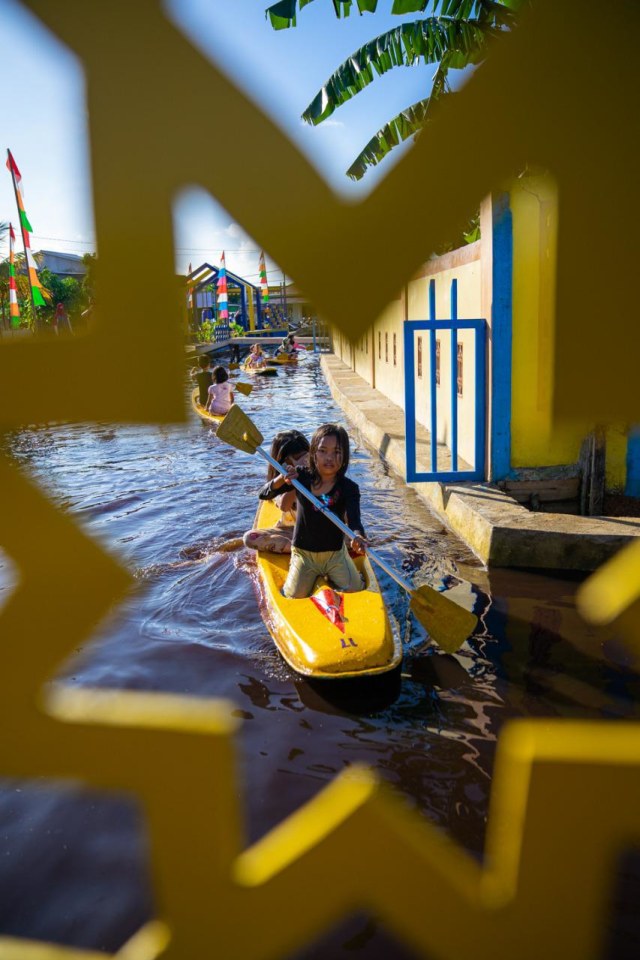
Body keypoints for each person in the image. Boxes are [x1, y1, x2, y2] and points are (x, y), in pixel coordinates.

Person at [259, 423, 366, 598]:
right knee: (292, 596)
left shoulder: (349, 488)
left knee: (357, 590)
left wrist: (359, 536)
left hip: (335, 556)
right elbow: (264, 494)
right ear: (313, 453)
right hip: (304, 556)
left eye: (336, 452)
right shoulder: (301, 477)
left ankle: (344, 578)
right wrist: (281, 480)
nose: (329, 458)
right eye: (323, 451)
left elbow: (355, 522)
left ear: (345, 456)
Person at [243, 430, 310, 553]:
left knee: (345, 538)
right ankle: (295, 548)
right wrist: (295, 484)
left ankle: (306, 548)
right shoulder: (281, 483)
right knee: (250, 538)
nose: (304, 461)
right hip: (290, 530)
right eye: (294, 459)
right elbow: (284, 505)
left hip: (321, 531)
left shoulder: (318, 473)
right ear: (283, 464)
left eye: (305, 455)